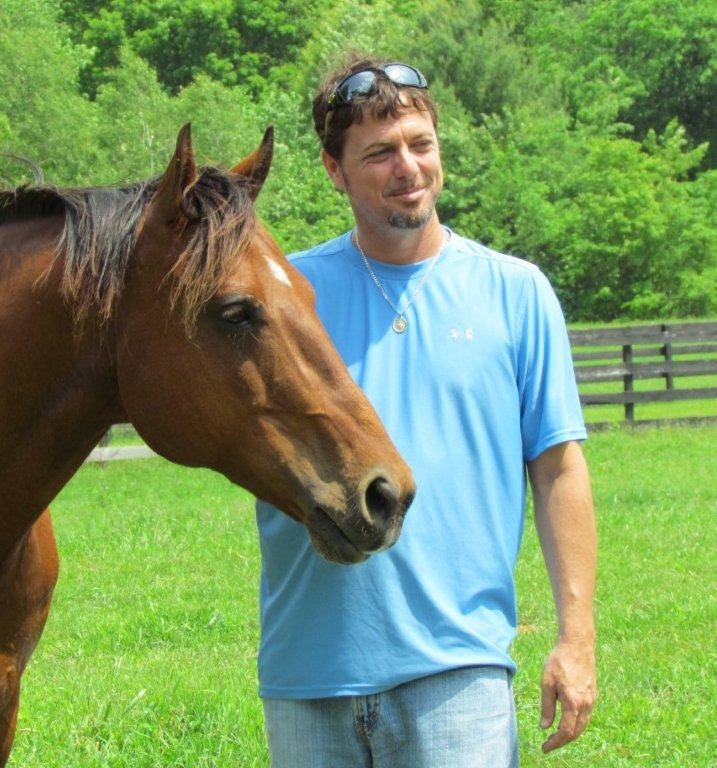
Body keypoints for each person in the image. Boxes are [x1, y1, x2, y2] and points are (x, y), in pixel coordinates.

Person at [255, 56, 597, 767]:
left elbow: (559, 470)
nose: (407, 167)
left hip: (458, 674)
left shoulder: (515, 292)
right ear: (333, 169)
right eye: (379, 152)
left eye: (420, 143)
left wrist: (576, 637)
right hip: (309, 672)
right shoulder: (286, 295)